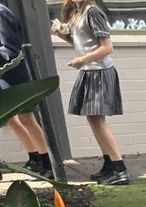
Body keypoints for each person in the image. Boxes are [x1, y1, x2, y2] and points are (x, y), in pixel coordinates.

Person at [51, 0, 130, 185]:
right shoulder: (76, 12)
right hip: (90, 71)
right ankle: (110, 166)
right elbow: (83, 43)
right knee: (93, 119)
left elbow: (107, 47)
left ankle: (120, 169)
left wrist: (82, 60)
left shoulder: (92, 12)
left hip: (99, 71)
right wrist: (62, 35)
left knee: (98, 120)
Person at [0, 0, 54, 180]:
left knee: (27, 118)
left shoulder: (2, 13)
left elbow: (10, 48)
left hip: (14, 74)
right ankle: (34, 157)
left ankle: (47, 163)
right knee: (10, 119)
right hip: (3, 76)